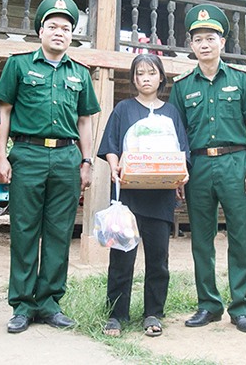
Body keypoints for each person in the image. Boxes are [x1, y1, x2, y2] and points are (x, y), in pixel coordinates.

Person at [0, 0, 101, 334]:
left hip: (68, 157)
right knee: (24, 230)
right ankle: (23, 304)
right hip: (28, 154)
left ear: (72, 35)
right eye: (53, 26)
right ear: (40, 31)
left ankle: (50, 302)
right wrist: (0, 156)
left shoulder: (80, 73)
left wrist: (86, 161)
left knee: (58, 232)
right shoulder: (19, 65)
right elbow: (4, 112)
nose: (59, 32)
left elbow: (85, 120)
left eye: (66, 28)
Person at [168, 3, 246, 333]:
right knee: (201, 240)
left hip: (236, 162)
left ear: (222, 42)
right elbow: (177, 133)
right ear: (191, 44)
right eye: (198, 38)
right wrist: (179, 170)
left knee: (240, 237)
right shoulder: (181, 86)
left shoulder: (241, 80)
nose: (204, 44)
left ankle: (241, 307)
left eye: (211, 37)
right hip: (198, 166)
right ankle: (208, 304)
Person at [97, 53, 190, 338]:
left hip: (160, 197)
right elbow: (111, 144)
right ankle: (116, 314)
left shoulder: (171, 112)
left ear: (161, 77)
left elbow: (182, 152)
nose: (145, 78)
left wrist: (180, 174)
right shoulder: (123, 109)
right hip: (129, 197)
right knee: (122, 257)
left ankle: (153, 312)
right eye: (139, 74)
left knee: (158, 258)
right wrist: (114, 166)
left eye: (151, 73)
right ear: (134, 78)